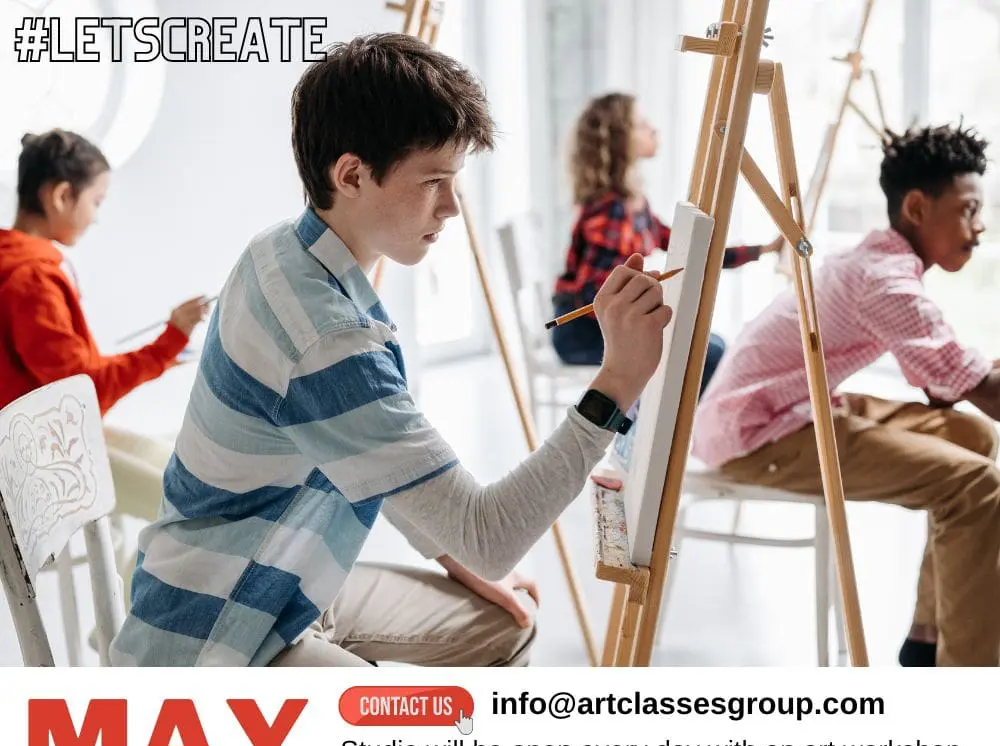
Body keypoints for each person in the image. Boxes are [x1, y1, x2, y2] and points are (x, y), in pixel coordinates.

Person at [109, 34, 673, 668]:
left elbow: (371, 461)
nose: (452, 207)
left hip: (279, 574)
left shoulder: (281, 251)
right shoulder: (326, 336)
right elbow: (490, 537)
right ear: (351, 174)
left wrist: (452, 556)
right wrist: (619, 379)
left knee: (501, 624)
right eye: (434, 181)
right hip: (219, 632)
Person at [692, 122, 1000, 668]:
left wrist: (967, 376)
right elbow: (972, 385)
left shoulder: (877, 260)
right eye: (969, 210)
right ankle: (969, 675)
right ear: (917, 208)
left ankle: (927, 639)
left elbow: (945, 381)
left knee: (972, 435)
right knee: (978, 486)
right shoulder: (887, 283)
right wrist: (970, 376)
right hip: (761, 434)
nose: (978, 228)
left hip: (793, 407)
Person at [0, 129, 210, 606]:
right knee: (195, 507)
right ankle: (132, 628)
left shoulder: (15, 261)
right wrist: (170, 340)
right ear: (60, 195)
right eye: (96, 201)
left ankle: (122, 617)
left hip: (42, 444)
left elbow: (69, 377)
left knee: (175, 467)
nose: (96, 218)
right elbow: (84, 391)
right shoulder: (31, 276)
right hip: (41, 461)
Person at [552, 92, 782, 394]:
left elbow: (689, 247)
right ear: (620, 140)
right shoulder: (611, 211)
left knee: (713, 347)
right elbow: (594, 298)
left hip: (605, 324)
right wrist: (652, 305)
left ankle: (694, 436)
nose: (654, 130)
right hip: (583, 333)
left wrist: (760, 251)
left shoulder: (635, 204)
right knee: (708, 357)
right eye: (642, 124)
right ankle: (685, 438)